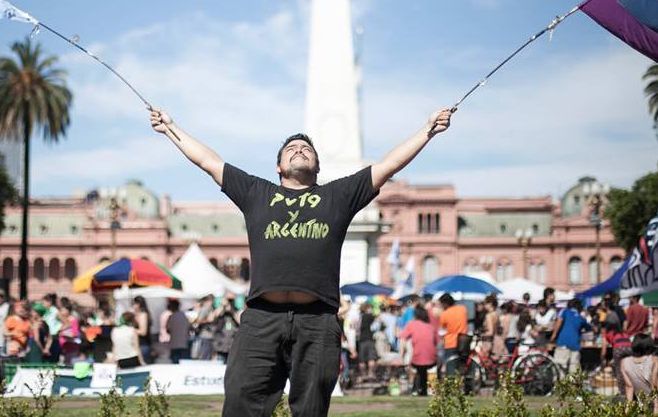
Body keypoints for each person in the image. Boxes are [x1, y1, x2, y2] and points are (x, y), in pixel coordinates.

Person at [149, 104, 452, 417]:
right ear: (278, 167)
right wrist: (171, 128)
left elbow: (388, 165)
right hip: (261, 319)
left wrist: (428, 130)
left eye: (306, 149)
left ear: (317, 167)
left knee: (311, 411)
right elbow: (208, 161)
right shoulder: (256, 192)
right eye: (291, 148)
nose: (298, 150)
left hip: (318, 322)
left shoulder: (338, 196)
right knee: (240, 403)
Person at [399, 306, 436, 397]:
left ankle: (416, 389)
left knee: (418, 367)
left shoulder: (411, 324)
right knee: (422, 370)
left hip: (417, 358)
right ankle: (421, 390)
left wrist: (401, 356)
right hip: (432, 358)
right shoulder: (431, 326)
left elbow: (402, 339)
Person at [551, 298, 591, 374]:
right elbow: (588, 328)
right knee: (574, 372)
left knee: (560, 370)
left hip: (563, 343)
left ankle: (560, 385)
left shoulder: (565, 312)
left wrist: (553, 336)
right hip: (575, 345)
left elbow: (559, 323)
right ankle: (573, 385)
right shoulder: (581, 318)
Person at [621, 334, 658, 411]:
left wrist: (627, 410)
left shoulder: (624, 362)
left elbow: (629, 387)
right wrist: (657, 407)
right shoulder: (654, 360)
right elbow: (654, 385)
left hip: (638, 402)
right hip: (651, 402)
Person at [601, 315, 632, 398]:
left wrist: (603, 358)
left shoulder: (606, 332)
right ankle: (631, 390)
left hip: (618, 349)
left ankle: (622, 393)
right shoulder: (622, 331)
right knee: (629, 370)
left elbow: (604, 349)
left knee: (619, 371)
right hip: (629, 348)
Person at [439, 293, 468, 373]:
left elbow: (441, 331)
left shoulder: (444, 314)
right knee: (461, 365)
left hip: (450, 343)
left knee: (450, 366)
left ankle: (452, 384)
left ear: (445, 303)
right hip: (464, 342)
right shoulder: (463, 309)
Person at [212, 297, 240, 363]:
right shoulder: (221, 311)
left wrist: (232, 311)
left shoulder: (236, 312)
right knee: (220, 368)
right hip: (221, 346)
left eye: (230, 301)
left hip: (232, 347)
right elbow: (212, 318)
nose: (229, 303)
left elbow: (240, 321)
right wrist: (222, 305)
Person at [357, 303, 378, 380]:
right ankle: (370, 374)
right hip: (369, 339)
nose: (371, 309)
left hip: (361, 340)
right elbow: (378, 319)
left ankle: (363, 375)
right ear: (367, 308)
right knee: (371, 358)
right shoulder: (370, 316)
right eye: (370, 308)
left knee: (361, 360)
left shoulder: (359, 317)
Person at [165, 299, 191, 363]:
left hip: (174, 344)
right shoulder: (184, 316)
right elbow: (189, 327)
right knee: (184, 364)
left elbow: (168, 329)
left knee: (175, 365)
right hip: (184, 343)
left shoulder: (171, 317)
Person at [41, 294, 62, 362]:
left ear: (49, 302)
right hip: (47, 337)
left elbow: (66, 323)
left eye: (44, 303)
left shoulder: (55, 311)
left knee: (53, 359)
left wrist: (58, 330)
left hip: (53, 338)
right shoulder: (46, 312)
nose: (42, 304)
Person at [132, 296, 153, 364]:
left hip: (143, 345)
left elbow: (143, 332)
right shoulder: (137, 314)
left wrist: (131, 330)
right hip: (139, 345)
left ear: (139, 304)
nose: (133, 306)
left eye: (134, 304)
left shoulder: (143, 315)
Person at [479, 295, 500, 359]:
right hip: (496, 340)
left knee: (483, 362)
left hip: (488, 342)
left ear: (490, 304)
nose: (484, 305)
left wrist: (481, 335)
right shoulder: (496, 314)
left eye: (485, 303)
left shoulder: (489, 316)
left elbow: (491, 332)